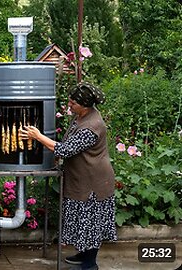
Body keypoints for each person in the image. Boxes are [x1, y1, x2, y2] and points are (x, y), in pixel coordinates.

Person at [22, 82, 117, 270]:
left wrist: (38, 136)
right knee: (83, 222)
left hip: (93, 183)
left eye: (73, 103)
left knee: (90, 223)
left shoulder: (92, 126)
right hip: (81, 178)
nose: (69, 105)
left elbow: (66, 149)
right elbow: (68, 143)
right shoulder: (81, 116)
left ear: (85, 105)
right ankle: (83, 255)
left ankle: (90, 264)